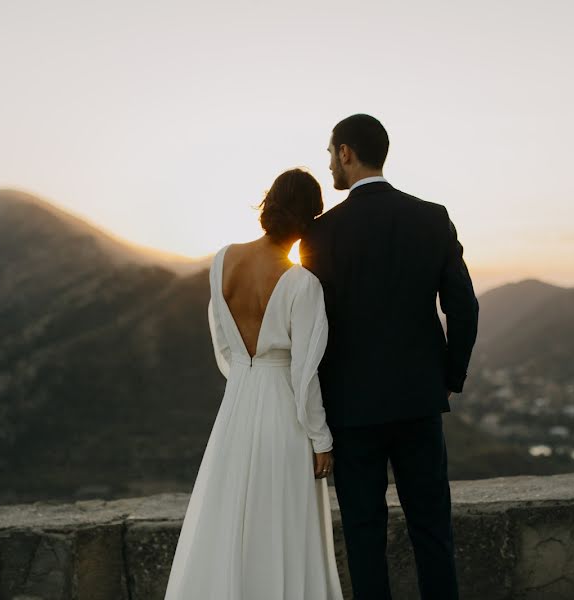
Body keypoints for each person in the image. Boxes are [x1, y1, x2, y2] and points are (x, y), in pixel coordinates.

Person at [300, 114, 479, 599]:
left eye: (329, 151)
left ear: (345, 153)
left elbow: (312, 331)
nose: (330, 163)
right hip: (419, 399)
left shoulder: (318, 236)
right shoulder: (431, 216)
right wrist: (449, 377)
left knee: (363, 532)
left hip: (352, 408)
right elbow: (463, 307)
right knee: (432, 528)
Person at [164, 168, 344, 599]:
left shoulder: (223, 259)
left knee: (229, 519)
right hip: (283, 412)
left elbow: (223, 345)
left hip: (237, 404)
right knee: (280, 524)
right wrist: (321, 439)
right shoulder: (303, 283)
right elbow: (304, 373)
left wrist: (246, 375)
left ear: (268, 207)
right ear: (309, 220)